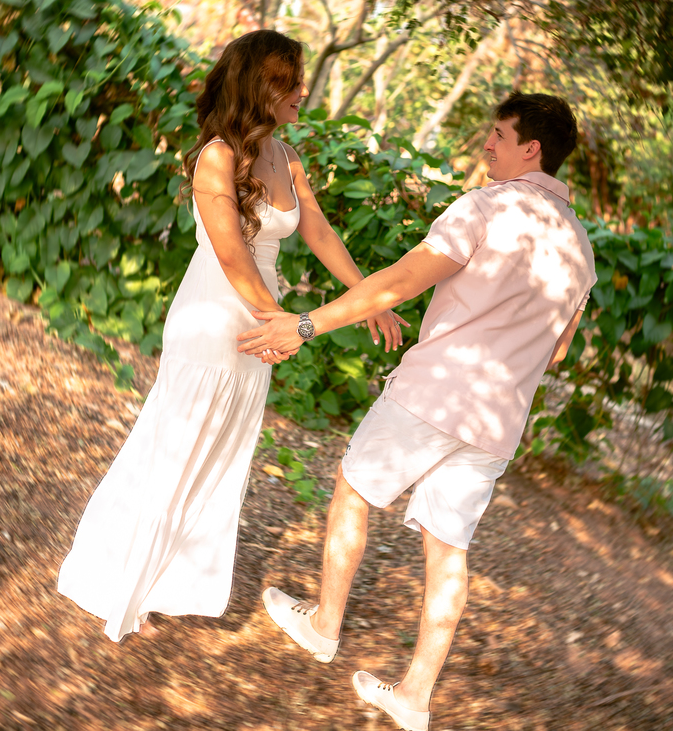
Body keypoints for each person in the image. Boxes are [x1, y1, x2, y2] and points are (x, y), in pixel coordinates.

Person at [238, 92, 596, 731]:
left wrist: (306, 324)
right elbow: (559, 350)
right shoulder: (581, 250)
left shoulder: (485, 207)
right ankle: (413, 697)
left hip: (434, 394)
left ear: (531, 148)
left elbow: (401, 282)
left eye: (499, 135)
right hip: (499, 422)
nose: (487, 145)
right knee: (449, 548)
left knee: (352, 490)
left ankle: (324, 626)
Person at [57, 29, 405, 642]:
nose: (302, 91)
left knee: (219, 456)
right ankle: (117, 585)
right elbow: (230, 255)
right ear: (256, 86)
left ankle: (162, 583)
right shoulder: (216, 156)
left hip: (261, 321)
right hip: (215, 316)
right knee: (176, 450)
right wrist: (282, 323)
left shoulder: (286, 156)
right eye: (289, 81)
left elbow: (319, 232)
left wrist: (366, 297)